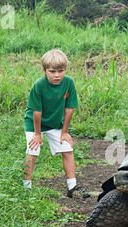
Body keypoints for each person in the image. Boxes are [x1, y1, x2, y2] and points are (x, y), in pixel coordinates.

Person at [22, 49, 89, 199]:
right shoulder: (39, 85)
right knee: (33, 150)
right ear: (44, 70)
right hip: (34, 123)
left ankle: (72, 187)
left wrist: (64, 132)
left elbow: (69, 109)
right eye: (52, 71)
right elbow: (37, 112)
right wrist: (37, 134)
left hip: (55, 123)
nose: (57, 75)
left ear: (65, 69)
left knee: (67, 148)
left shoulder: (69, 83)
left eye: (61, 71)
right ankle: (25, 188)